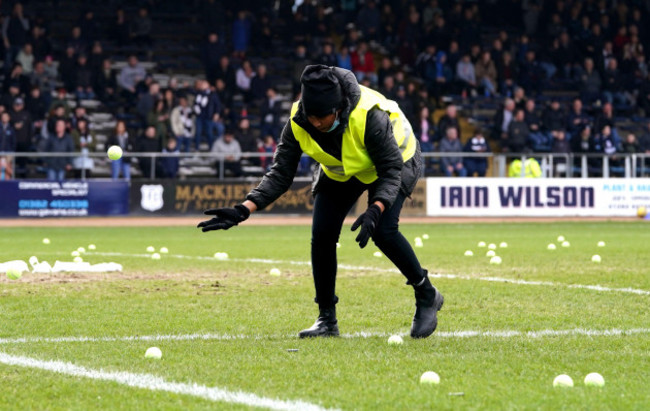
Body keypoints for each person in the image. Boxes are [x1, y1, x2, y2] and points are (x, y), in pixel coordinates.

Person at [197, 65, 443, 339]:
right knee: (322, 233)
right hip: (345, 167)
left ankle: (426, 293)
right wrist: (244, 209)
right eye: (311, 116)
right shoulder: (298, 121)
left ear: (338, 109)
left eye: (322, 117)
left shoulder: (368, 116)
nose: (315, 123)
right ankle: (326, 319)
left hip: (396, 159)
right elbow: (281, 172)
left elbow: (390, 169)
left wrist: (376, 208)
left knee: (383, 230)